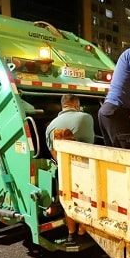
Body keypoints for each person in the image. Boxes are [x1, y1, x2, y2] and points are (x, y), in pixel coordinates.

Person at [46, 94, 94, 245]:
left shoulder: (50, 126)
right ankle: (83, 232)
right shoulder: (85, 118)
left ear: (63, 105)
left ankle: (71, 234)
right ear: (76, 104)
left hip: (64, 170)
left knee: (68, 201)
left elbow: (52, 152)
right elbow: (90, 143)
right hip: (84, 169)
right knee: (87, 202)